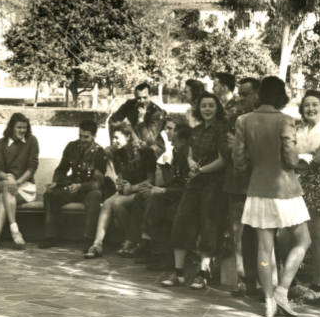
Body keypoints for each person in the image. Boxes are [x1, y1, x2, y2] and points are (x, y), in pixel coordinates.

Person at [234, 75, 311, 317]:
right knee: (304, 241)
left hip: (258, 189)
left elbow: (238, 161)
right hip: (285, 189)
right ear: (281, 95)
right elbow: (290, 158)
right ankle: (282, 290)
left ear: (260, 94)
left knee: (264, 249)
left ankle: (268, 300)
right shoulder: (286, 120)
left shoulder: (243, 120)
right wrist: (301, 162)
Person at [164, 92, 227, 289]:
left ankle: (202, 273)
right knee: (181, 221)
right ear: (199, 109)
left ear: (217, 108)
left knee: (208, 225)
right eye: (203, 106)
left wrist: (200, 170)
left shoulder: (222, 130)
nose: (207, 109)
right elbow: (190, 153)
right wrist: (192, 164)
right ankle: (179, 272)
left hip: (213, 184)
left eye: (211, 105)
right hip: (194, 183)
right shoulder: (196, 130)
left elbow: (223, 160)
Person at [288, 89, 320, 302]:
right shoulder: (297, 129)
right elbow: (287, 155)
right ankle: (291, 281)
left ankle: (316, 287)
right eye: (306, 105)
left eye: (315, 105)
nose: (310, 109)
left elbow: (319, 160)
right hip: (294, 184)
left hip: (316, 185)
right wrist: (298, 160)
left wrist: (298, 160)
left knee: (317, 237)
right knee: (286, 235)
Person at [84, 124, 155, 258]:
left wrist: (132, 188)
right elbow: (121, 177)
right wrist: (121, 184)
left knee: (117, 204)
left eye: (116, 138)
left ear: (128, 136)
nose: (113, 141)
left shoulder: (146, 152)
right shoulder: (118, 154)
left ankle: (132, 241)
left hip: (143, 190)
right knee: (107, 203)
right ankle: (97, 245)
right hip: (127, 191)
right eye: (112, 138)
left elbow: (151, 180)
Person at [39, 119, 108, 252]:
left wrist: (81, 186)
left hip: (88, 190)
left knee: (96, 196)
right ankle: (51, 236)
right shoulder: (72, 147)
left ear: (94, 136)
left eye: (86, 137)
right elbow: (61, 169)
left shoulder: (99, 153)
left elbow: (98, 182)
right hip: (71, 187)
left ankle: (88, 239)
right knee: (50, 194)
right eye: (80, 136)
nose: (82, 140)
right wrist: (56, 182)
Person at [132, 123, 193, 264]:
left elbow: (187, 186)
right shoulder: (178, 154)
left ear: (184, 141)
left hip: (189, 197)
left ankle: (157, 251)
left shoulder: (188, 156)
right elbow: (176, 181)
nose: (171, 142)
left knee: (163, 207)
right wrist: (157, 188)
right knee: (150, 198)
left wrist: (164, 190)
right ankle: (152, 246)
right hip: (178, 194)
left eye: (175, 140)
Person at [222, 76, 261, 296]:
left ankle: (259, 279)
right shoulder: (235, 119)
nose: (241, 98)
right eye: (240, 94)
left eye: (246, 94)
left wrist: (239, 148)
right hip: (237, 185)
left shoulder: (264, 120)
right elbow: (226, 149)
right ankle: (242, 279)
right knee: (238, 234)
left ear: (258, 94)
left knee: (259, 236)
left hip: (258, 185)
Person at [0, 112, 39, 251]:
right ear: (11, 128)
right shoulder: (0, 144)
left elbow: (32, 167)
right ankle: (15, 230)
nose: (22, 130)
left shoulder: (32, 141)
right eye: (19, 127)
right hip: (4, 182)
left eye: (24, 127)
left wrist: (17, 182)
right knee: (5, 187)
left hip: (25, 185)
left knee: (3, 195)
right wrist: (8, 178)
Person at [107, 82, 167, 153]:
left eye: (145, 97)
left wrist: (141, 121)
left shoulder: (157, 113)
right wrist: (117, 139)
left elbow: (149, 140)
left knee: (140, 155)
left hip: (154, 146)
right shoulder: (130, 104)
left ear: (150, 95)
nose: (142, 101)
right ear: (135, 96)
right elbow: (112, 120)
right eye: (138, 98)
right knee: (110, 152)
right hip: (133, 142)